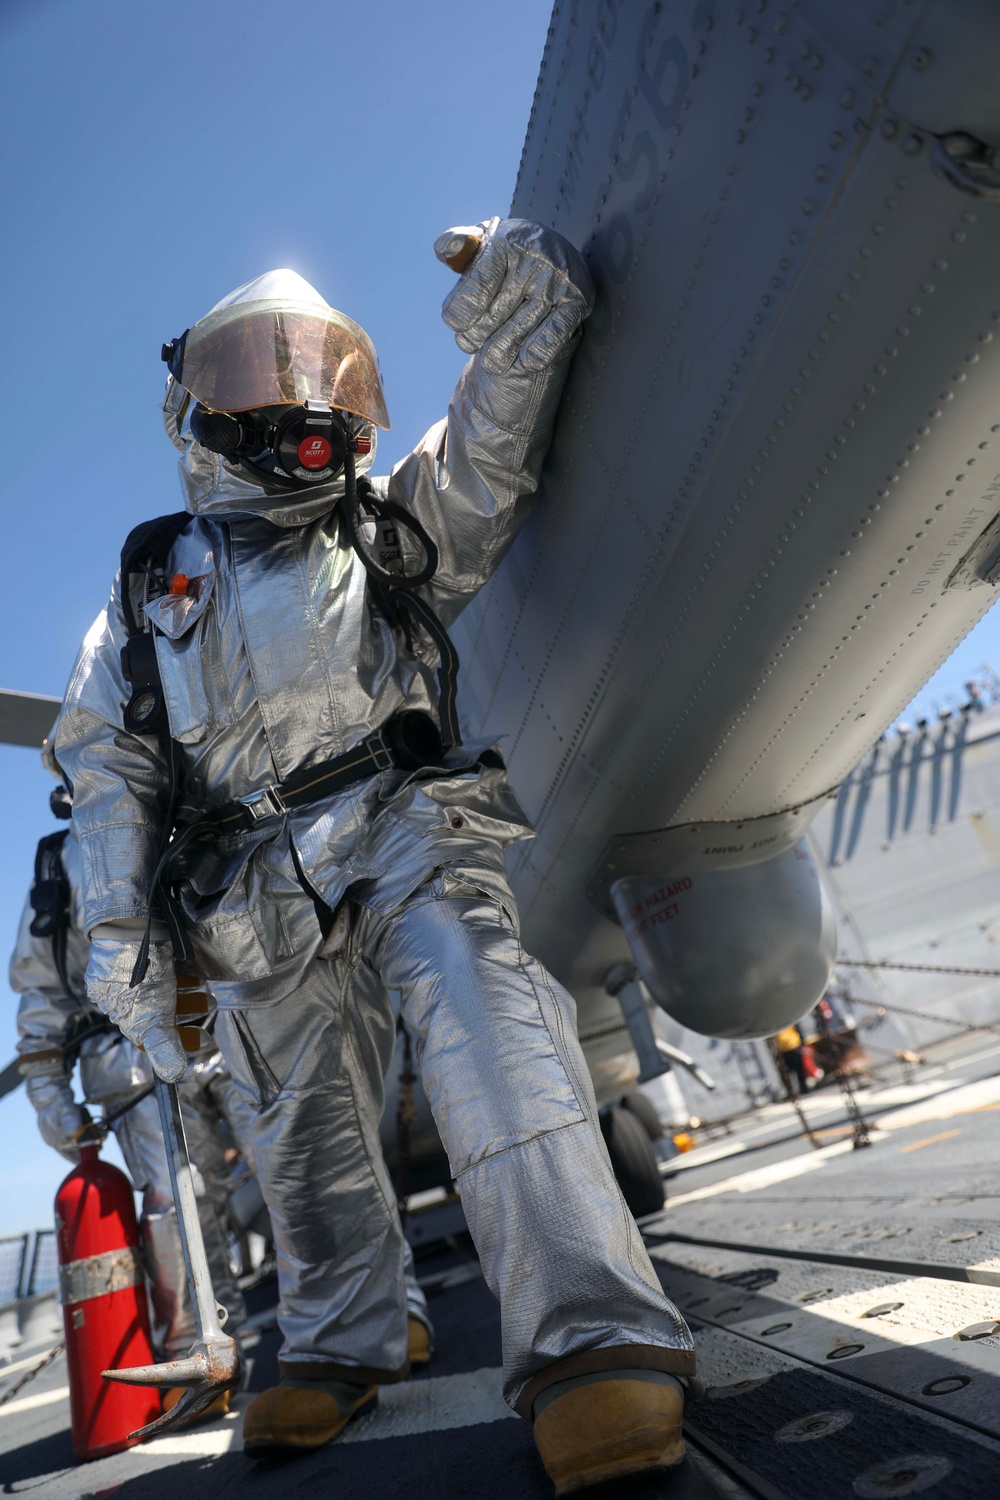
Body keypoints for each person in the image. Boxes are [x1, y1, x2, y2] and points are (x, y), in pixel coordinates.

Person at [54, 218, 695, 1494]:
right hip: (243, 888)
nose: (295, 402)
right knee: (297, 1128)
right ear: (191, 405)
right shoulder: (145, 596)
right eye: (255, 372)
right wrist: (120, 947)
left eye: (320, 374)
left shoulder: (386, 531)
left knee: (487, 1021)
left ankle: (591, 1333)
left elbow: (490, 447)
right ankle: (350, 1334)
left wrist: (519, 299)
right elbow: (107, 774)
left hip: (404, 825)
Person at [10, 790, 248, 1392]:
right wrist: (53, 1107)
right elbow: (41, 998)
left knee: (296, 1154)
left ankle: (363, 1325)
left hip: (235, 1021)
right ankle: (198, 1357)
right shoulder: (52, 870)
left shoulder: (189, 811)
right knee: (176, 1201)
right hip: (127, 1061)